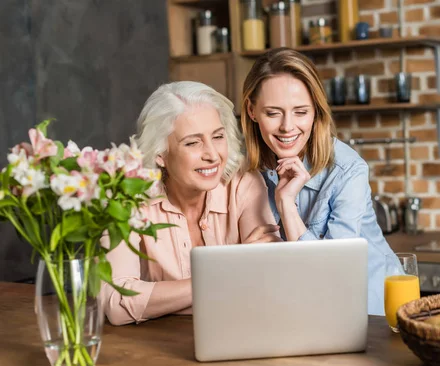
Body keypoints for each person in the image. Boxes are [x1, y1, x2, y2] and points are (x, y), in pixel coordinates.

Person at [101, 81, 280, 326]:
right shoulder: (126, 196)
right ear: (160, 155)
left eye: (218, 137)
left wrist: (160, 298)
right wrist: (228, 272)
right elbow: (115, 302)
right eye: (192, 143)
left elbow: (267, 282)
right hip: (150, 348)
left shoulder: (244, 184)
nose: (212, 154)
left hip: (237, 333)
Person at [241, 48, 396, 316]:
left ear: (316, 112)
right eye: (273, 113)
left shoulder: (348, 171)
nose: (287, 127)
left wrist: (286, 203)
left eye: (301, 112)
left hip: (374, 312)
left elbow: (327, 274)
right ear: (252, 111)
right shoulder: (245, 173)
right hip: (304, 311)